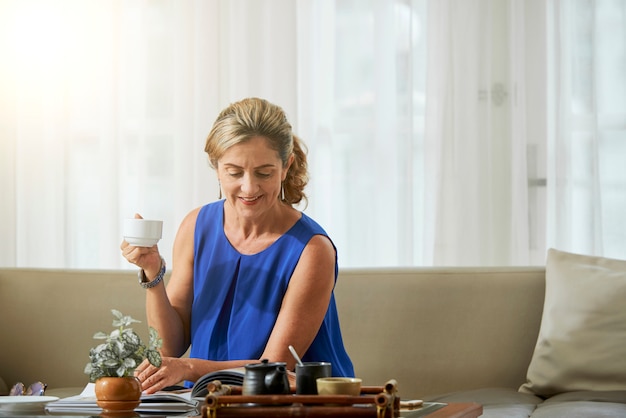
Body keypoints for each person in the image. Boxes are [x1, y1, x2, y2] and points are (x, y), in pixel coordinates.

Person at [121, 97, 354, 394]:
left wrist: (190, 368)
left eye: (264, 173)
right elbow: (170, 348)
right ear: (216, 168)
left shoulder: (312, 250)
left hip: (298, 405)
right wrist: (153, 274)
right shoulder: (196, 226)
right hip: (210, 402)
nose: (249, 187)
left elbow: (273, 371)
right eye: (234, 172)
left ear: (286, 166)